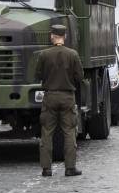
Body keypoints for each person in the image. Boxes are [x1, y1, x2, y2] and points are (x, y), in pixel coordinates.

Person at [35, 24, 83, 177]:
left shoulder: (44, 55)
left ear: (52, 36)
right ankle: (70, 168)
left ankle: (46, 168)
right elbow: (79, 77)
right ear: (65, 37)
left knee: (47, 132)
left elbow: (38, 75)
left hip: (50, 96)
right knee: (69, 132)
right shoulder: (73, 54)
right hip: (67, 96)